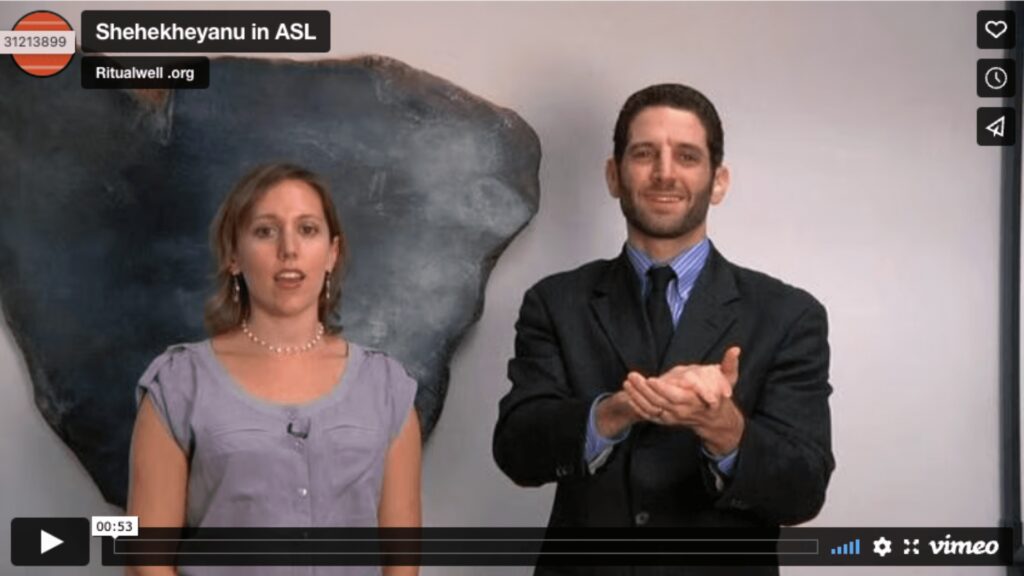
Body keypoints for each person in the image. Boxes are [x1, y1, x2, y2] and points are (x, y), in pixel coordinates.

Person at [493, 84, 834, 575]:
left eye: (687, 156)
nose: (665, 173)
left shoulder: (788, 315)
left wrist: (724, 429)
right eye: (644, 153)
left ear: (718, 181)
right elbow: (516, 451)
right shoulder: (554, 302)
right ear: (614, 175)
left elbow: (803, 490)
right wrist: (609, 414)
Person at [127, 163, 421, 576]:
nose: (289, 249)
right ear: (233, 254)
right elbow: (144, 561)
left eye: (308, 229)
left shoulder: (387, 387)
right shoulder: (178, 384)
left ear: (332, 253)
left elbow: (403, 563)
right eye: (265, 230)